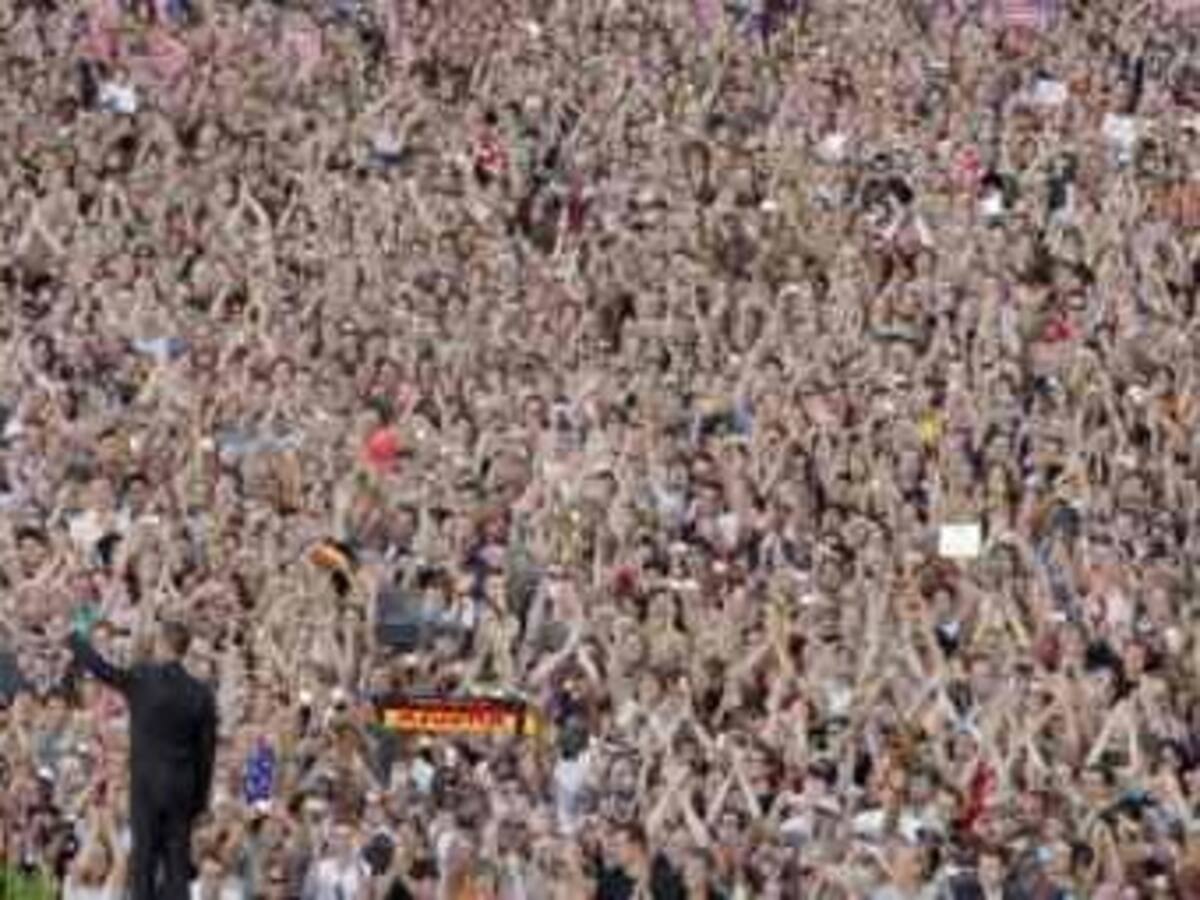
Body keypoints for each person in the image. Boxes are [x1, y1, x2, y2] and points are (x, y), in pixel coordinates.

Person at [68, 619, 218, 900]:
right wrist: (200, 801)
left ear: (163, 644)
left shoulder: (143, 677)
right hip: (181, 789)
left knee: (144, 862)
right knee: (176, 867)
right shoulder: (201, 694)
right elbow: (206, 753)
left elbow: (103, 670)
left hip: (147, 786)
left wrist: (74, 639)